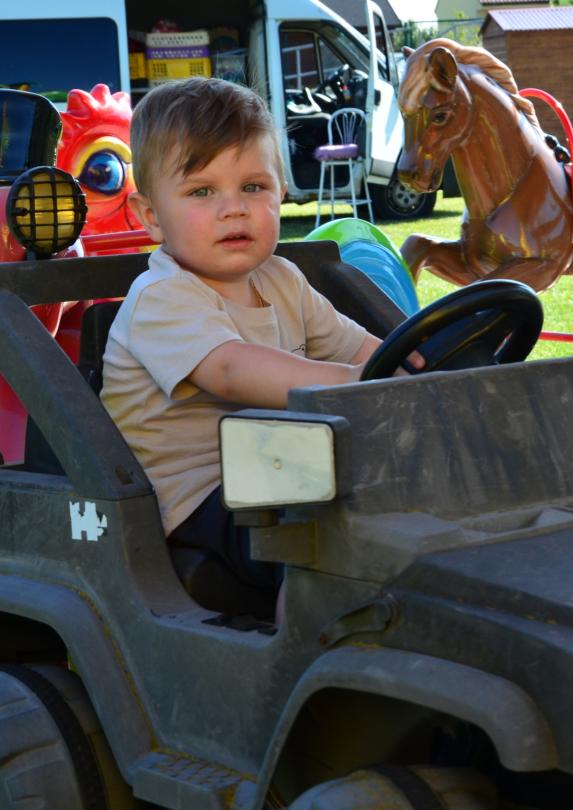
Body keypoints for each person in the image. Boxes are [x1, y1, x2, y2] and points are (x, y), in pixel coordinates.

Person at [102, 77, 412, 596]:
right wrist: (358, 382)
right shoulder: (162, 296)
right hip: (196, 501)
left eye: (253, 187)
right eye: (202, 191)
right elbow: (231, 369)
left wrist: (420, 367)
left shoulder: (284, 280)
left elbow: (364, 349)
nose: (234, 208)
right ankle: (331, 632)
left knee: (415, 500)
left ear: (281, 191)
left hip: (281, 467)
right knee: (341, 546)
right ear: (151, 216)